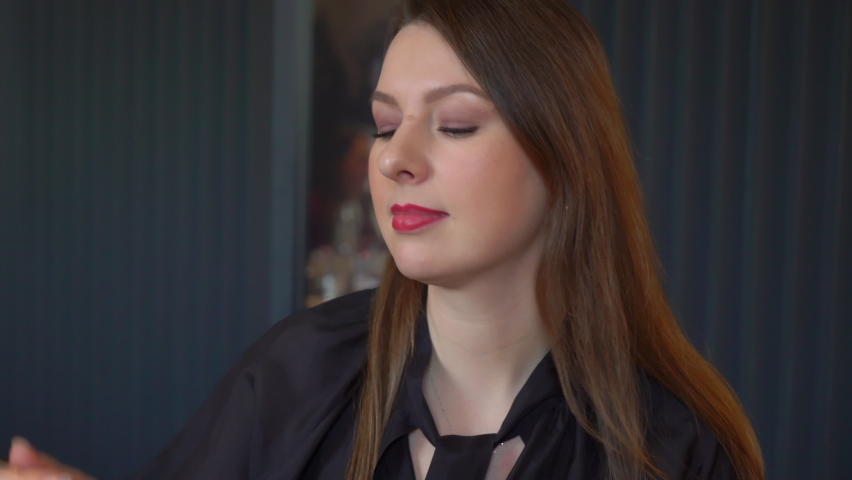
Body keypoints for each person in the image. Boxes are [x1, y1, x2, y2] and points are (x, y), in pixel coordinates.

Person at [1, 0, 765, 479]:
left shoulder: (676, 450)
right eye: (386, 124)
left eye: (456, 124)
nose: (396, 159)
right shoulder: (300, 376)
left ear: (564, 157)